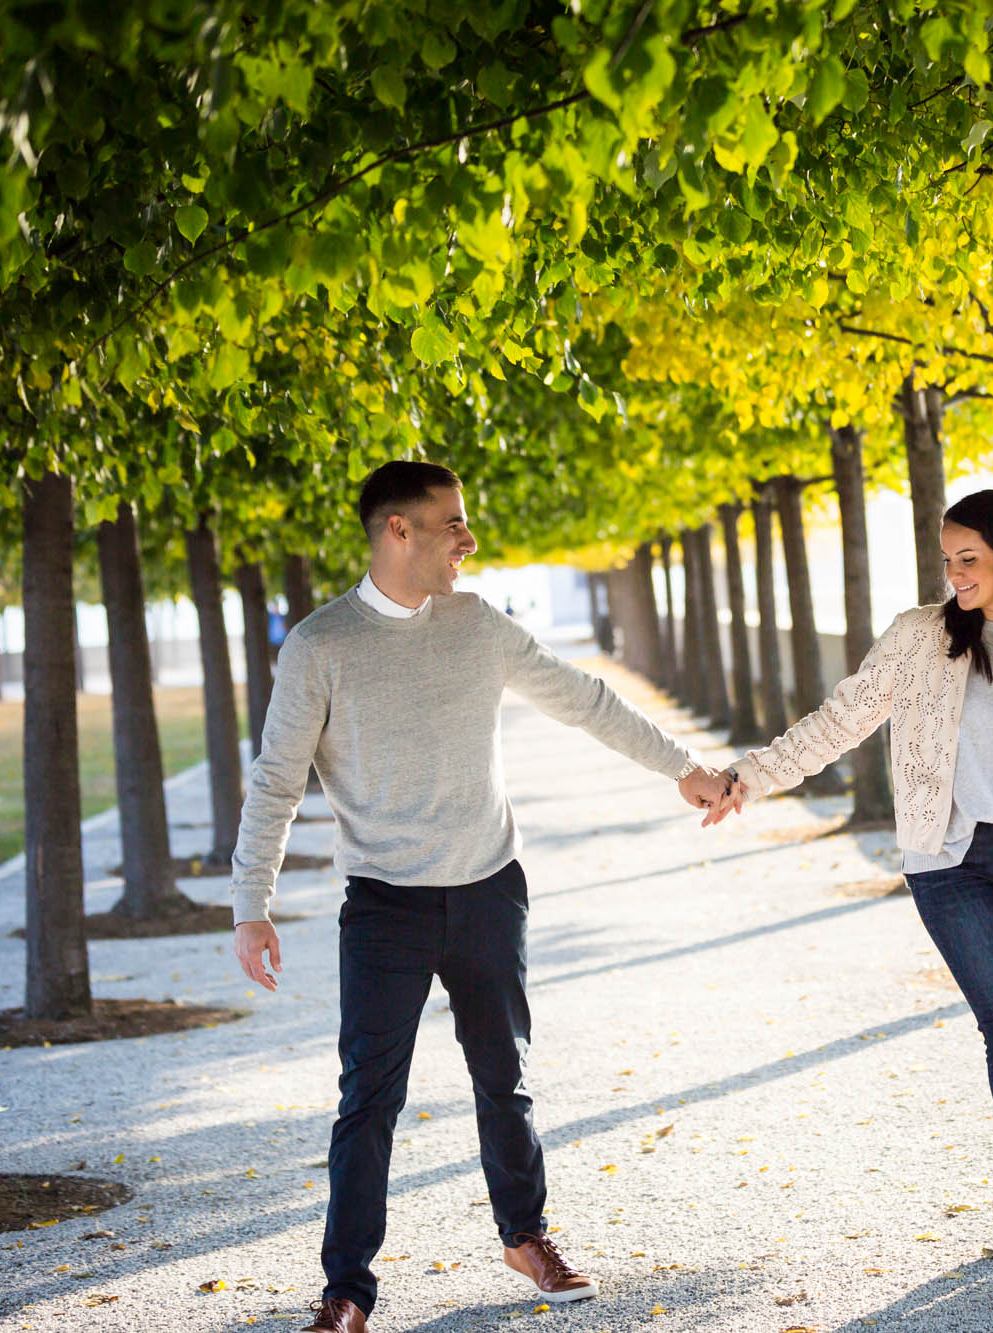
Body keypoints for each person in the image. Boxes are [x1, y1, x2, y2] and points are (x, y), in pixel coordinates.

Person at [229, 461, 731, 1333]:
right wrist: (251, 902)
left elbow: (587, 701)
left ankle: (525, 1235)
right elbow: (277, 779)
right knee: (369, 1097)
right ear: (398, 531)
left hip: (490, 887)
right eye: (452, 523)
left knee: (506, 1076)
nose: (468, 538)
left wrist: (684, 768)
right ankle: (347, 1288)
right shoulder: (320, 644)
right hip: (385, 902)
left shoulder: (479, 625)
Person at [712, 488, 993, 1274]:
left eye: (970, 558)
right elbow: (839, 719)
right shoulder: (919, 638)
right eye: (947, 559)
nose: (955, 573)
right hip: (948, 860)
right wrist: (747, 776)